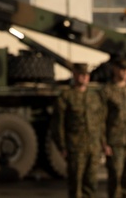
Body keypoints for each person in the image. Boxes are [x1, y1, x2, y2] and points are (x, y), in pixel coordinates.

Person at [51, 63, 105, 198]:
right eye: (81, 75)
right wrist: (62, 146)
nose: (84, 78)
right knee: (76, 184)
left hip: (93, 147)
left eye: (86, 75)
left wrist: (103, 143)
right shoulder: (66, 97)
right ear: (75, 75)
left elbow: (101, 122)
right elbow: (58, 124)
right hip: (75, 147)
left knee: (91, 183)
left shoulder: (95, 97)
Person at [100, 57, 126, 198]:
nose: (125, 72)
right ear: (115, 70)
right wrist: (104, 142)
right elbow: (101, 119)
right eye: (122, 69)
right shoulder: (107, 91)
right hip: (115, 141)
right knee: (115, 177)